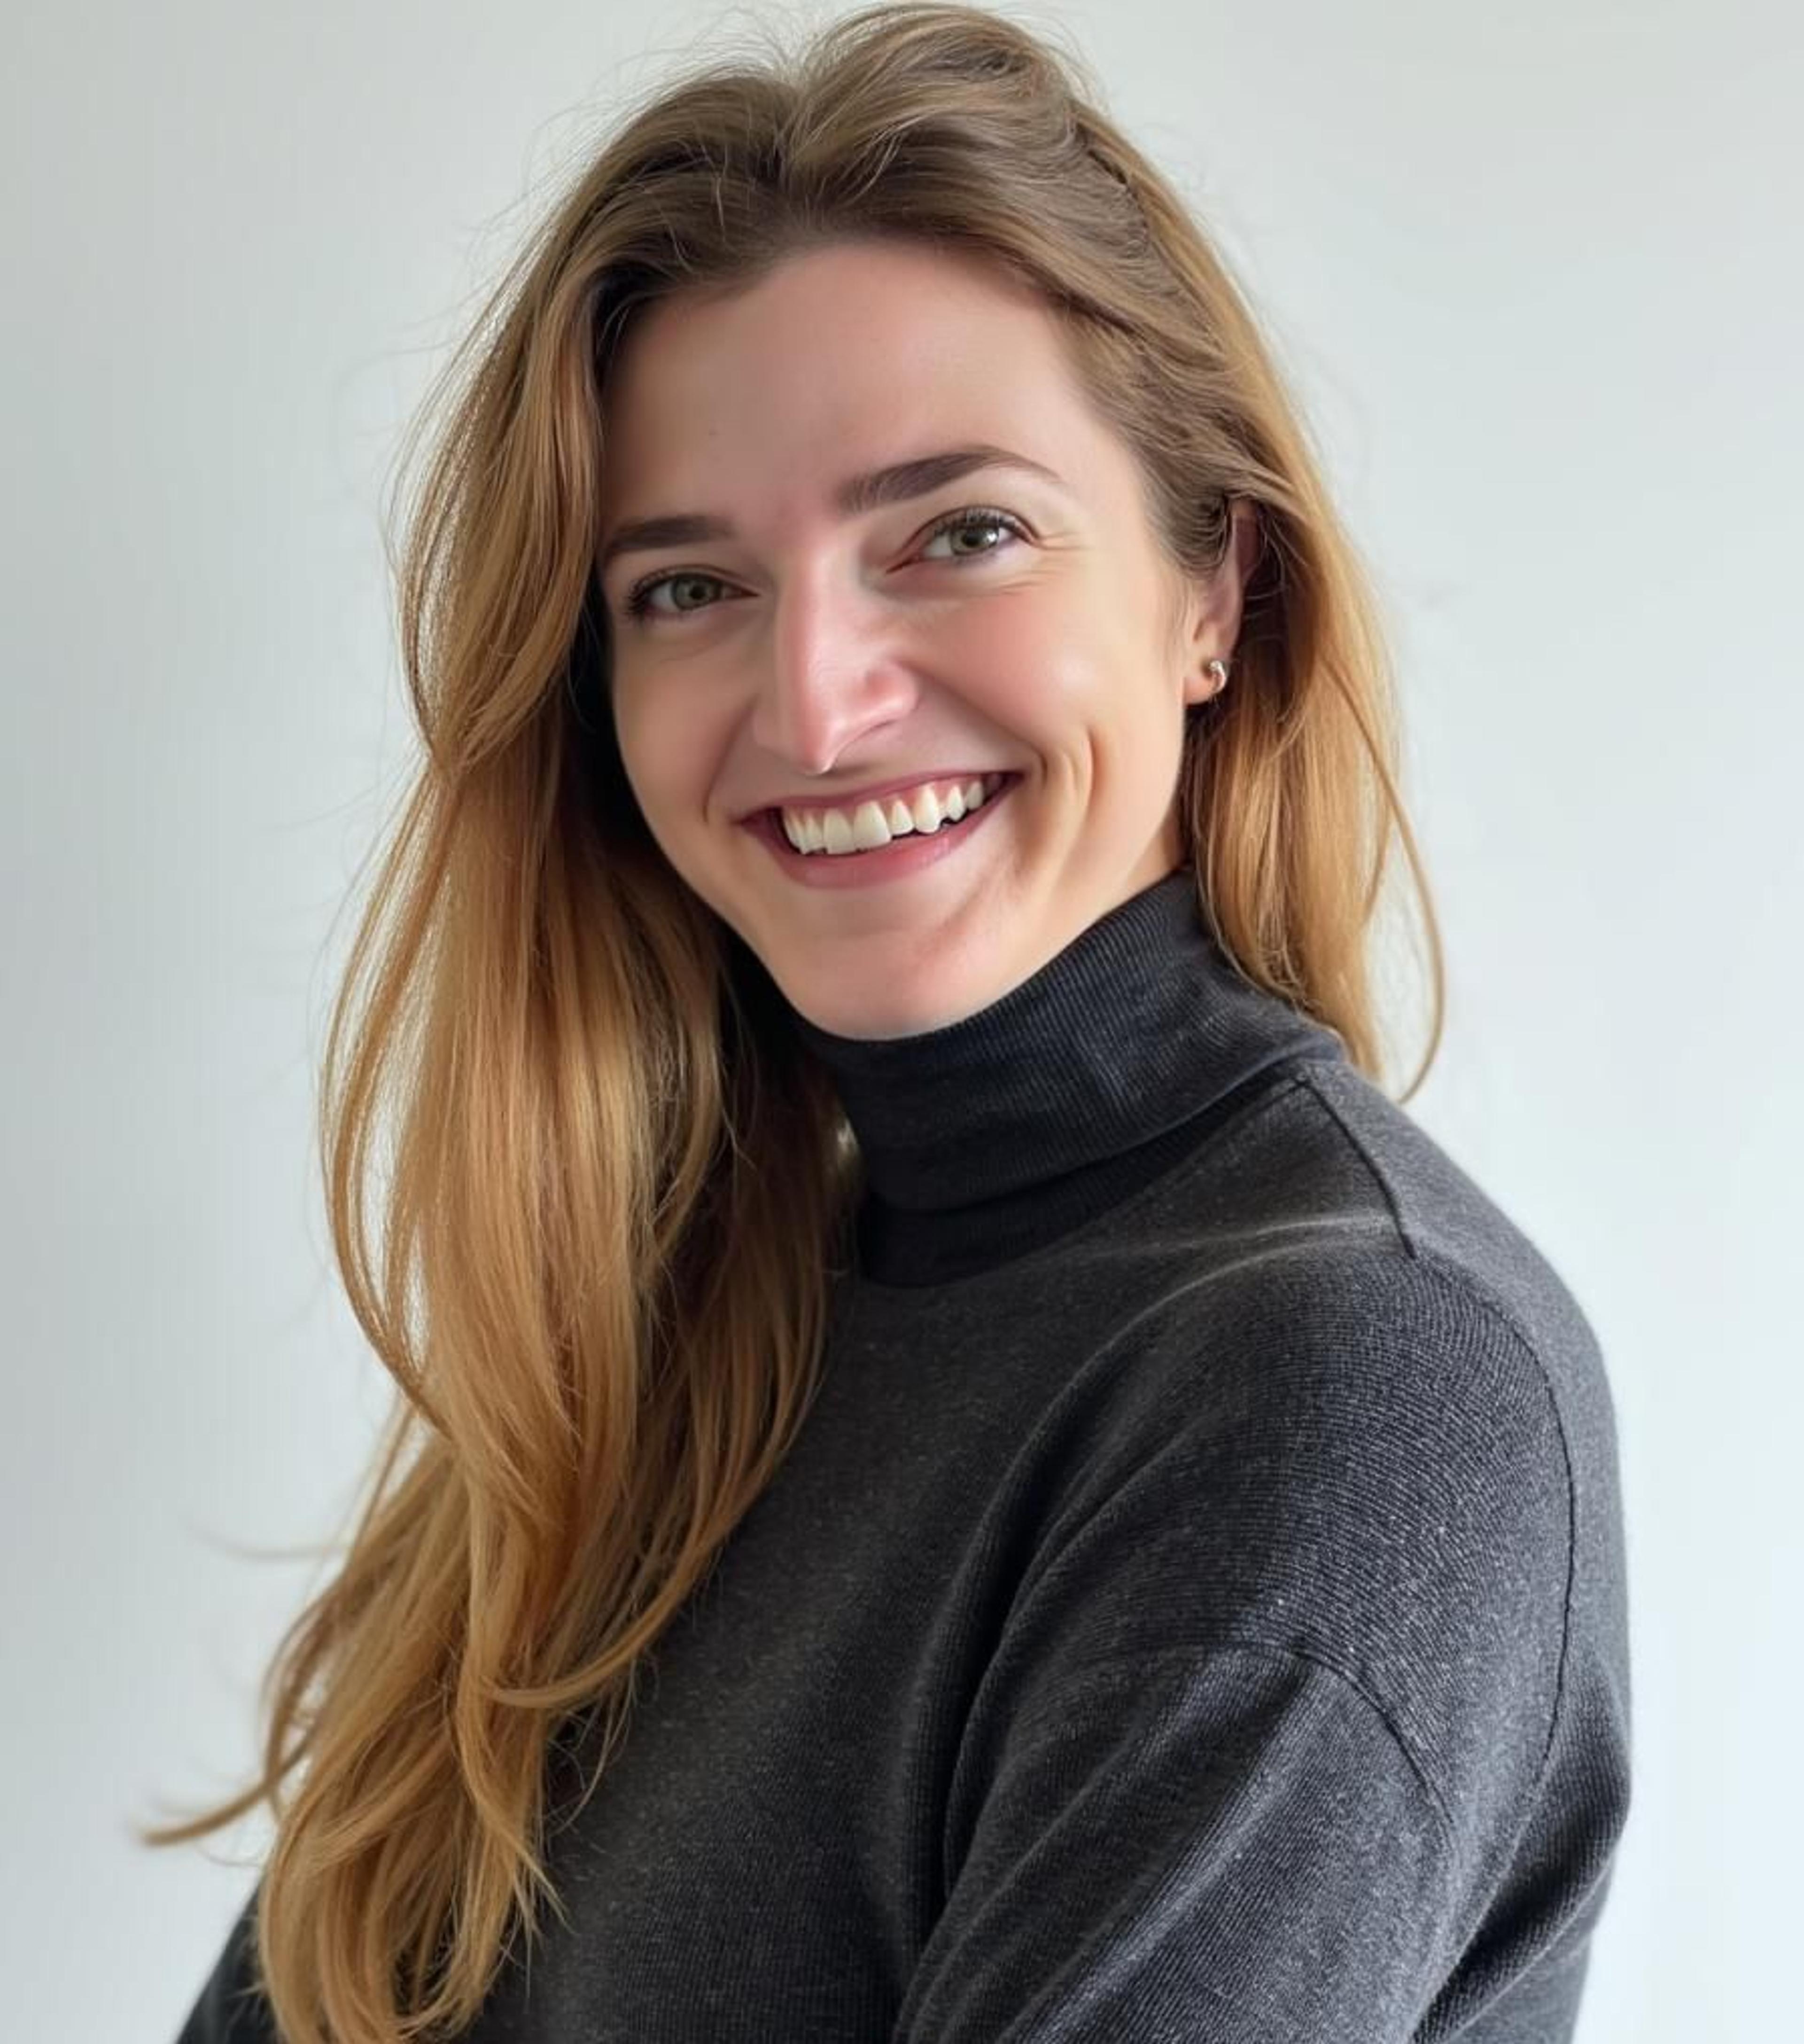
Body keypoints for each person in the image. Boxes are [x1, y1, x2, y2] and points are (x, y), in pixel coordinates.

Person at [155, 5, 1632, 2040]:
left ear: (1215, 592)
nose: (818, 705)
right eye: (688, 587)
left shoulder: (1350, 1380)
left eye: (960, 533)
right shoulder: (678, 1349)